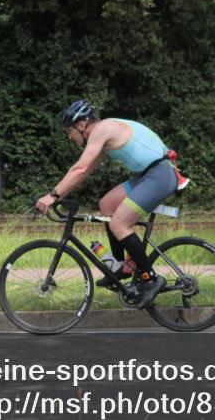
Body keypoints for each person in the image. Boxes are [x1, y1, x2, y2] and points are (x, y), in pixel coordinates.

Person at [34, 99, 188, 309]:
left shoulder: (102, 129)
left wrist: (52, 195)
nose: (69, 137)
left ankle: (151, 279)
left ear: (81, 125)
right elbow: (84, 171)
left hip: (159, 175)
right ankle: (122, 268)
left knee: (119, 224)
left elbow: (79, 169)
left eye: (70, 131)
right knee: (106, 204)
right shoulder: (103, 135)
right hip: (146, 176)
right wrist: (57, 196)